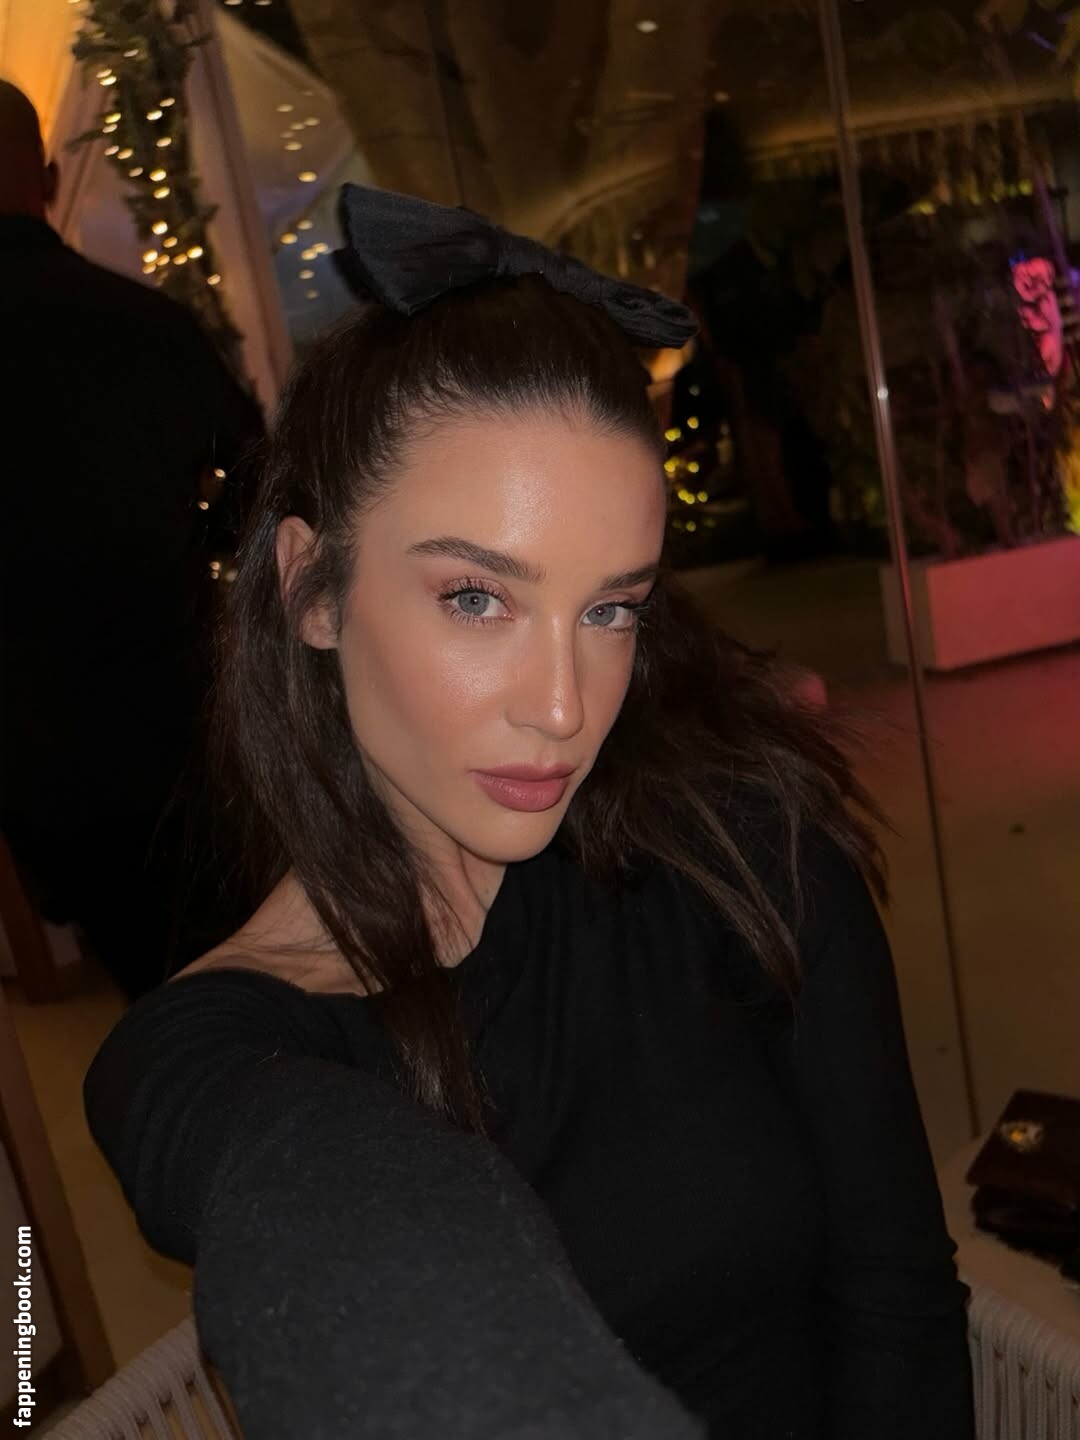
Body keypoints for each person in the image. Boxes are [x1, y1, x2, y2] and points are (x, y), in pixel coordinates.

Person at [84, 184, 974, 1438]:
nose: (564, 706)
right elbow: (300, 1186)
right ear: (312, 591)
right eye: (477, 599)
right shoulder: (221, 1050)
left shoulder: (746, 851)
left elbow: (898, 1306)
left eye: (610, 610)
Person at [0, 81, 264, 998]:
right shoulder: (144, 322)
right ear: (47, 177)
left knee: (156, 994)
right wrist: (192, 541)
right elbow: (260, 476)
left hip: (37, 751)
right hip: (177, 715)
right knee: (257, 971)